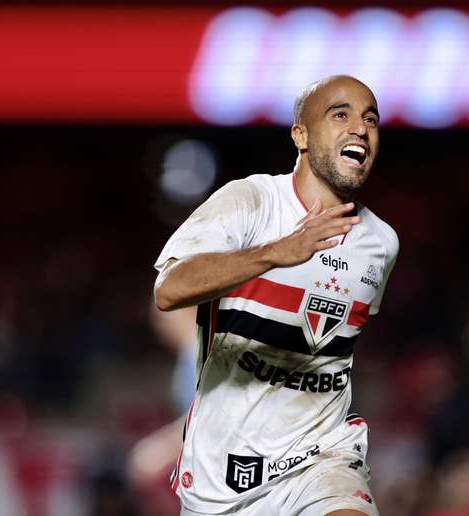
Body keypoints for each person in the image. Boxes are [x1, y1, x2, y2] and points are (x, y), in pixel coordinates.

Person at [153, 75, 398, 516]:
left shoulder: (381, 243)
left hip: (321, 456)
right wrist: (275, 254)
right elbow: (170, 289)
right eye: (340, 114)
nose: (360, 128)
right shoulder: (250, 202)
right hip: (222, 473)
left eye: (370, 119)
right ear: (300, 135)